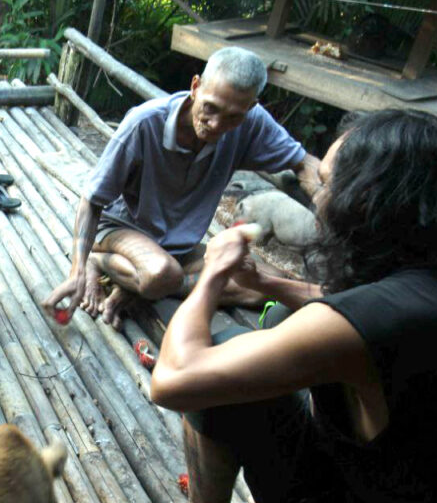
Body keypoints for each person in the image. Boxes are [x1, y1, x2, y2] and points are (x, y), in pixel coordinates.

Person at [144, 109, 437, 503]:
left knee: (227, 354)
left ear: (368, 198)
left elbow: (174, 379)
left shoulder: (375, 318)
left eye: (328, 183)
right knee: (279, 317)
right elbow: (351, 313)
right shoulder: (431, 284)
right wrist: (268, 283)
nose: (317, 195)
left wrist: (211, 275)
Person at [43, 46, 322, 327]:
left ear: (250, 108)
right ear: (195, 86)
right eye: (210, 108)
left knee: (269, 282)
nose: (215, 124)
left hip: (178, 247)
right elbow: (92, 200)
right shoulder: (145, 123)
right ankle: (100, 263)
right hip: (121, 229)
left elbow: (305, 163)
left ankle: (135, 286)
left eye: (232, 117)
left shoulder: (252, 122)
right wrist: (77, 271)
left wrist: (325, 194)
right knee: (162, 273)